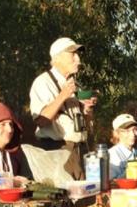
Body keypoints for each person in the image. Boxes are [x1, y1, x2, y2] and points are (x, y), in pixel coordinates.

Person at [29, 37, 98, 179]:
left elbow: (85, 125)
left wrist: (87, 109)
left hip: (79, 149)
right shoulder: (42, 83)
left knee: (84, 196)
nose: (78, 59)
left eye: (78, 55)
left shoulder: (74, 85)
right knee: (65, 197)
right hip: (56, 151)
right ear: (57, 57)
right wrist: (63, 95)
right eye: (73, 54)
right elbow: (41, 121)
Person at [108, 113, 137, 179]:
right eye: (127, 131)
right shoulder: (111, 155)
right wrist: (133, 167)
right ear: (117, 134)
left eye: (135, 129)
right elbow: (113, 183)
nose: (132, 134)